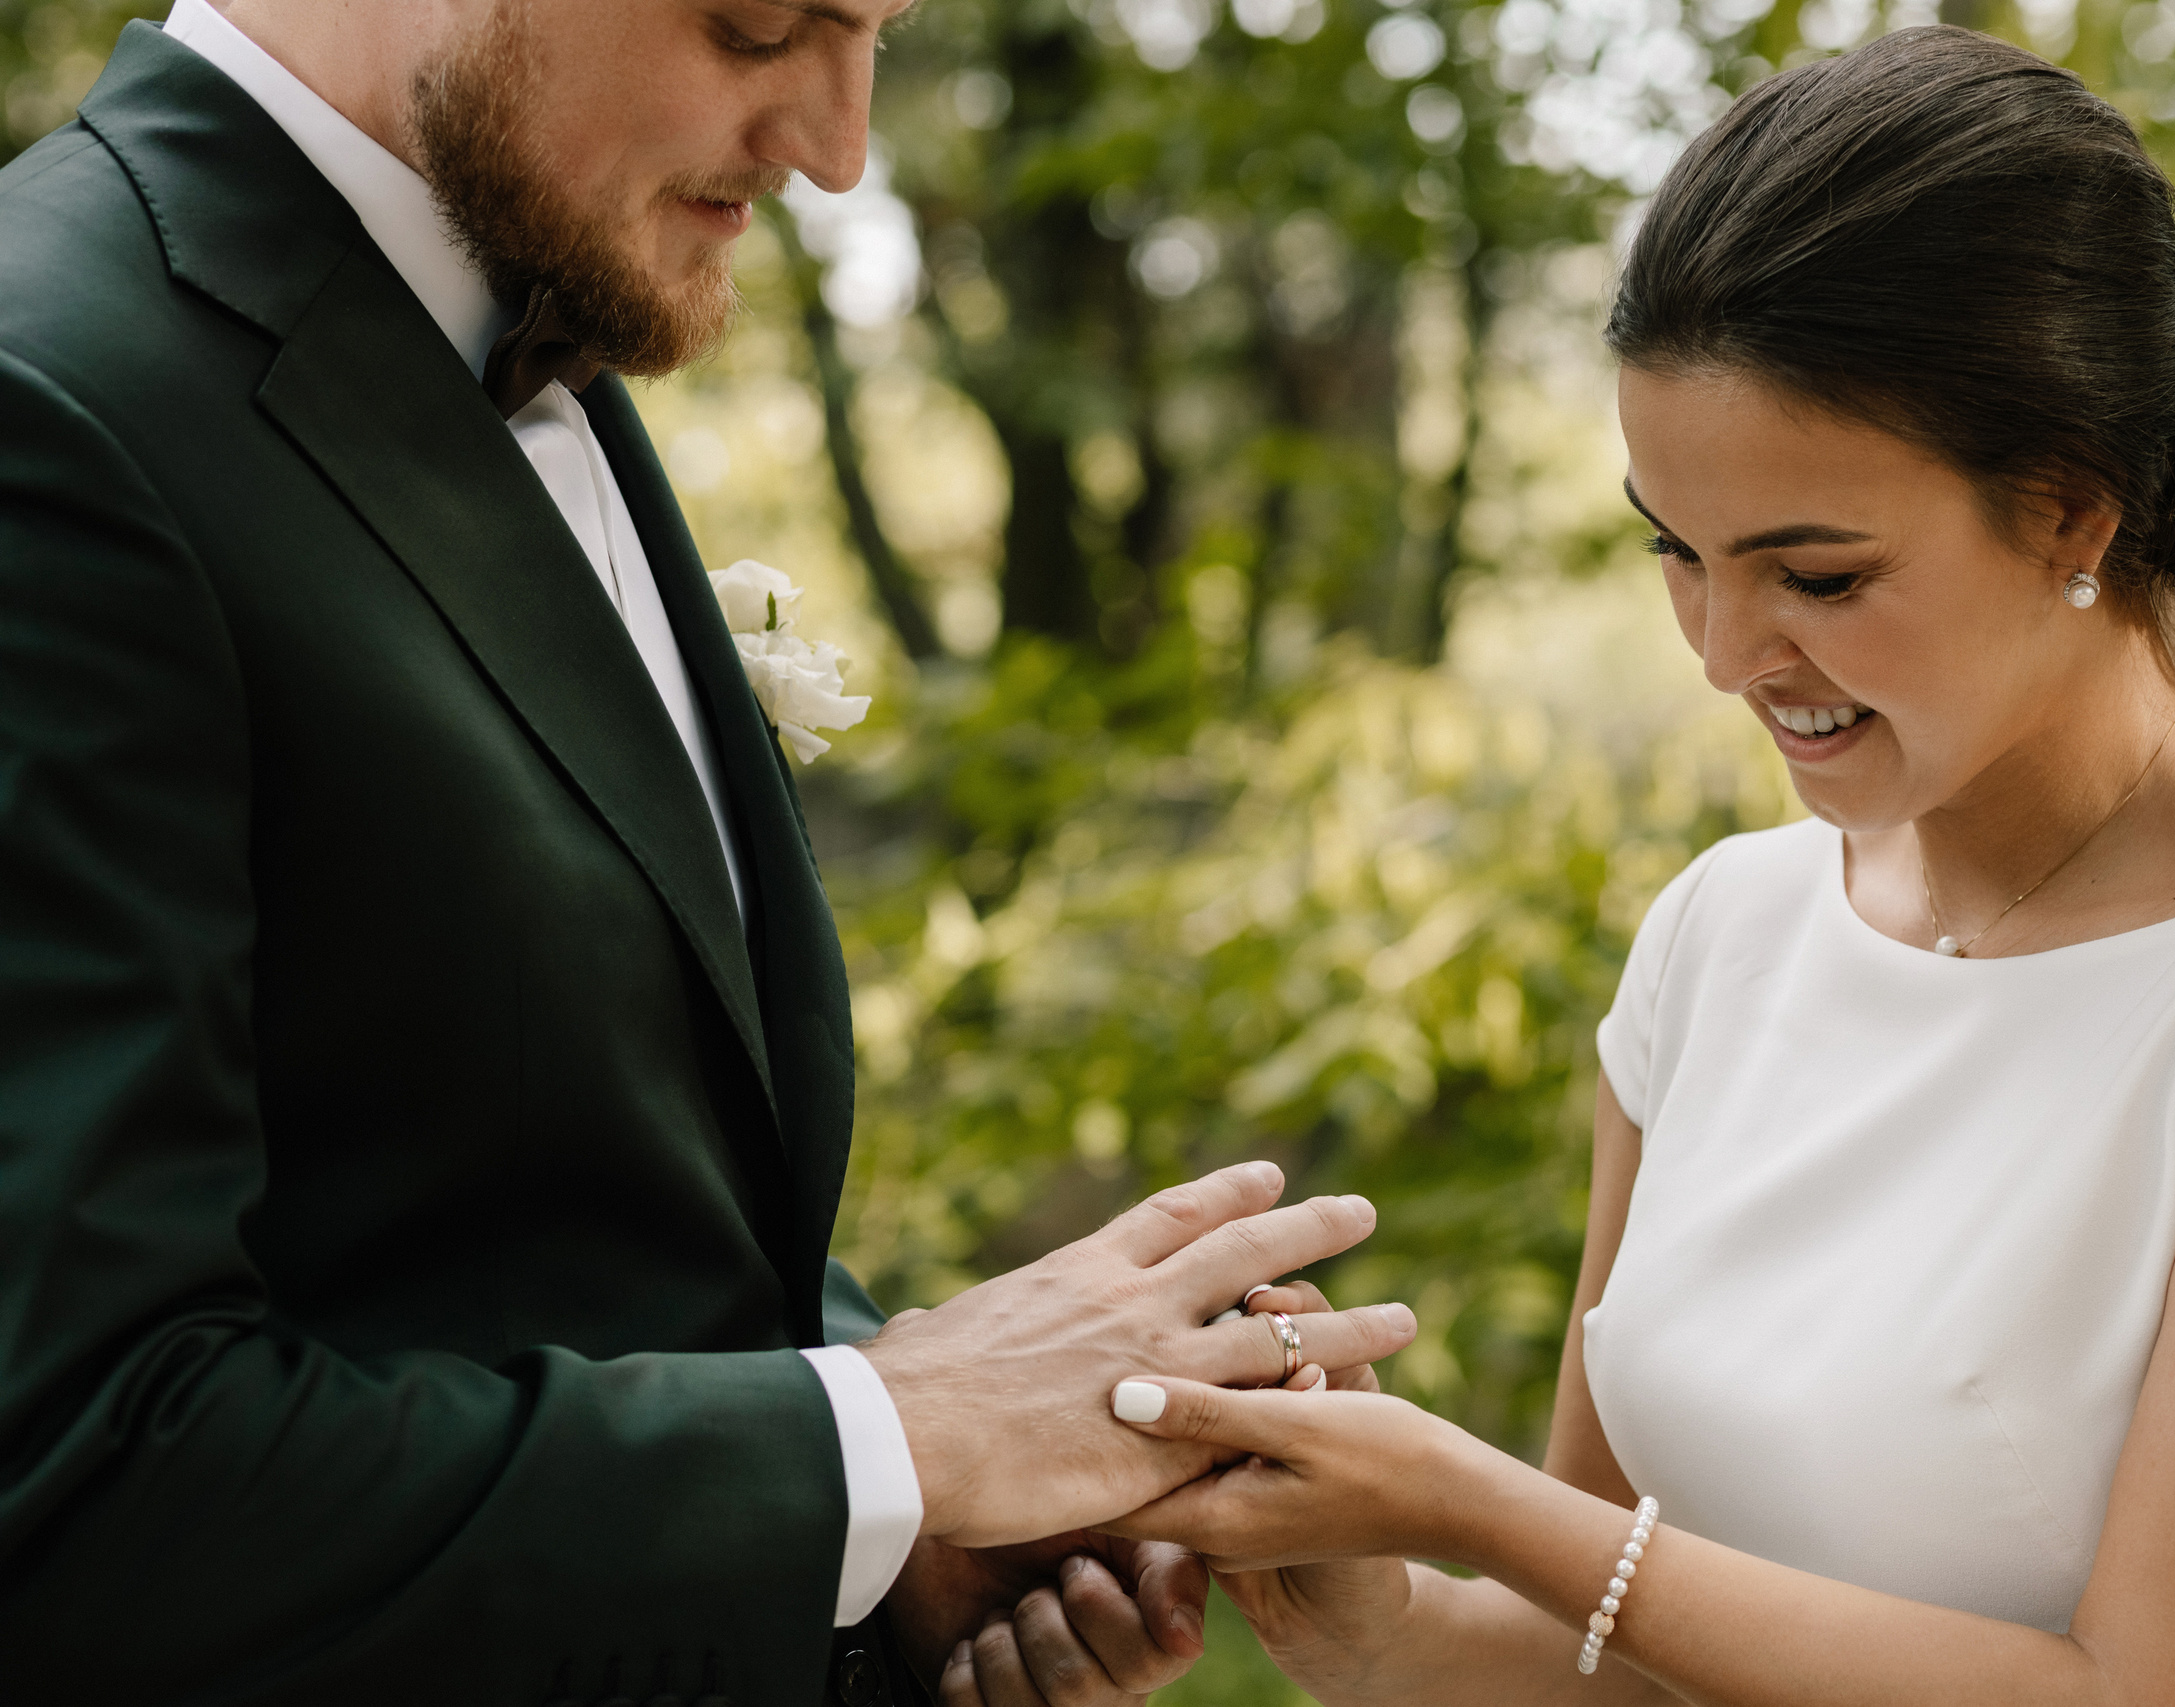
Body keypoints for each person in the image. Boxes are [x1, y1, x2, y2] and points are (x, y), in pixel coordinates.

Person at [1085, 27, 2175, 1707]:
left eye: (1820, 575)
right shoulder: (1723, 934)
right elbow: (1610, 1660)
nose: (1726, 651)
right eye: (1677, 550)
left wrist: (1476, 1504)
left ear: (2073, 513)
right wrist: (1387, 1614)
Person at [0, 2, 1417, 1702]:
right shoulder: (48, 402)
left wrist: (888, 1548)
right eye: (760, 20)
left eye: (879, 28)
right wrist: (891, 1437)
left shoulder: (524, 304)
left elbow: (546, 1221)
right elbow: (76, 1482)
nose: (837, 144)